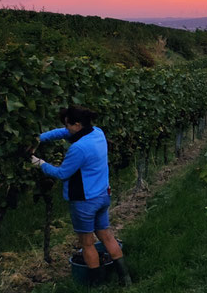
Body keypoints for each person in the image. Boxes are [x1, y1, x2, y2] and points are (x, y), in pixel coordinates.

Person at [30, 106, 132, 286]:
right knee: (107, 236)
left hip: (84, 201)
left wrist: (39, 163)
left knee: (87, 243)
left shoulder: (79, 149)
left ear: (77, 125)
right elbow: (64, 132)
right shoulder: (97, 133)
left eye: (68, 124)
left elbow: (62, 174)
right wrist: (40, 139)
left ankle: (97, 285)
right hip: (102, 195)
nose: (65, 128)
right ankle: (126, 279)